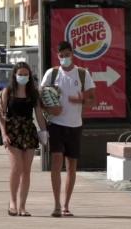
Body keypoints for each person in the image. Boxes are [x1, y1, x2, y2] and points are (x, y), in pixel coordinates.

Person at [40, 41, 96, 217]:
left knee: (71, 166)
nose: (65, 58)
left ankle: (66, 205)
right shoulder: (52, 73)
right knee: (56, 162)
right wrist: (50, 109)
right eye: (61, 55)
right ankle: (56, 204)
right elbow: (40, 98)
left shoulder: (82, 74)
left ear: (73, 54)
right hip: (56, 124)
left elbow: (93, 99)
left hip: (75, 126)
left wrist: (81, 100)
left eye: (67, 54)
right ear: (58, 56)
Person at [0, 62, 47, 216]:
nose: (23, 77)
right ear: (14, 75)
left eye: (26, 74)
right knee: (16, 168)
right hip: (12, 131)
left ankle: (22, 206)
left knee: (26, 170)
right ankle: (12, 202)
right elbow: (0, 114)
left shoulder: (33, 94)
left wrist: (44, 132)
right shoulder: (7, 92)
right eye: (20, 74)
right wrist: (4, 134)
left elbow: (39, 115)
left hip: (28, 131)